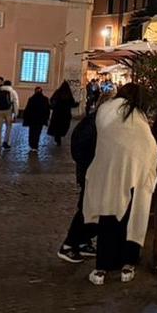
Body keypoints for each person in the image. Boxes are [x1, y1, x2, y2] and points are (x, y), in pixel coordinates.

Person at [82, 83, 157, 286]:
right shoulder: (135, 116)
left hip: (107, 174)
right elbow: (148, 147)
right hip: (134, 176)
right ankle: (127, 264)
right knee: (131, 219)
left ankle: (102, 268)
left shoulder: (106, 109)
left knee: (108, 220)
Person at [58, 103, 99, 263]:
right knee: (86, 209)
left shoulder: (95, 122)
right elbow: (80, 148)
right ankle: (69, 245)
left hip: (92, 173)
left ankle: (83, 241)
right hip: (90, 174)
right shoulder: (93, 123)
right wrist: (90, 167)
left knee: (93, 210)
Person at [0, 78, 19, 151]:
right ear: (10, 85)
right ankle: (6, 143)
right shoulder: (12, 91)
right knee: (8, 127)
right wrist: (16, 114)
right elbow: (16, 103)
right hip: (8, 111)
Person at [23, 86, 51, 152]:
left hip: (32, 119)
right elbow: (47, 110)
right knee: (38, 133)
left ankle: (31, 144)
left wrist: (25, 118)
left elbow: (27, 109)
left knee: (31, 132)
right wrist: (46, 118)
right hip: (40, 120)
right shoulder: (45, 99)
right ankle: (35, 145)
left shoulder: (31, 99)